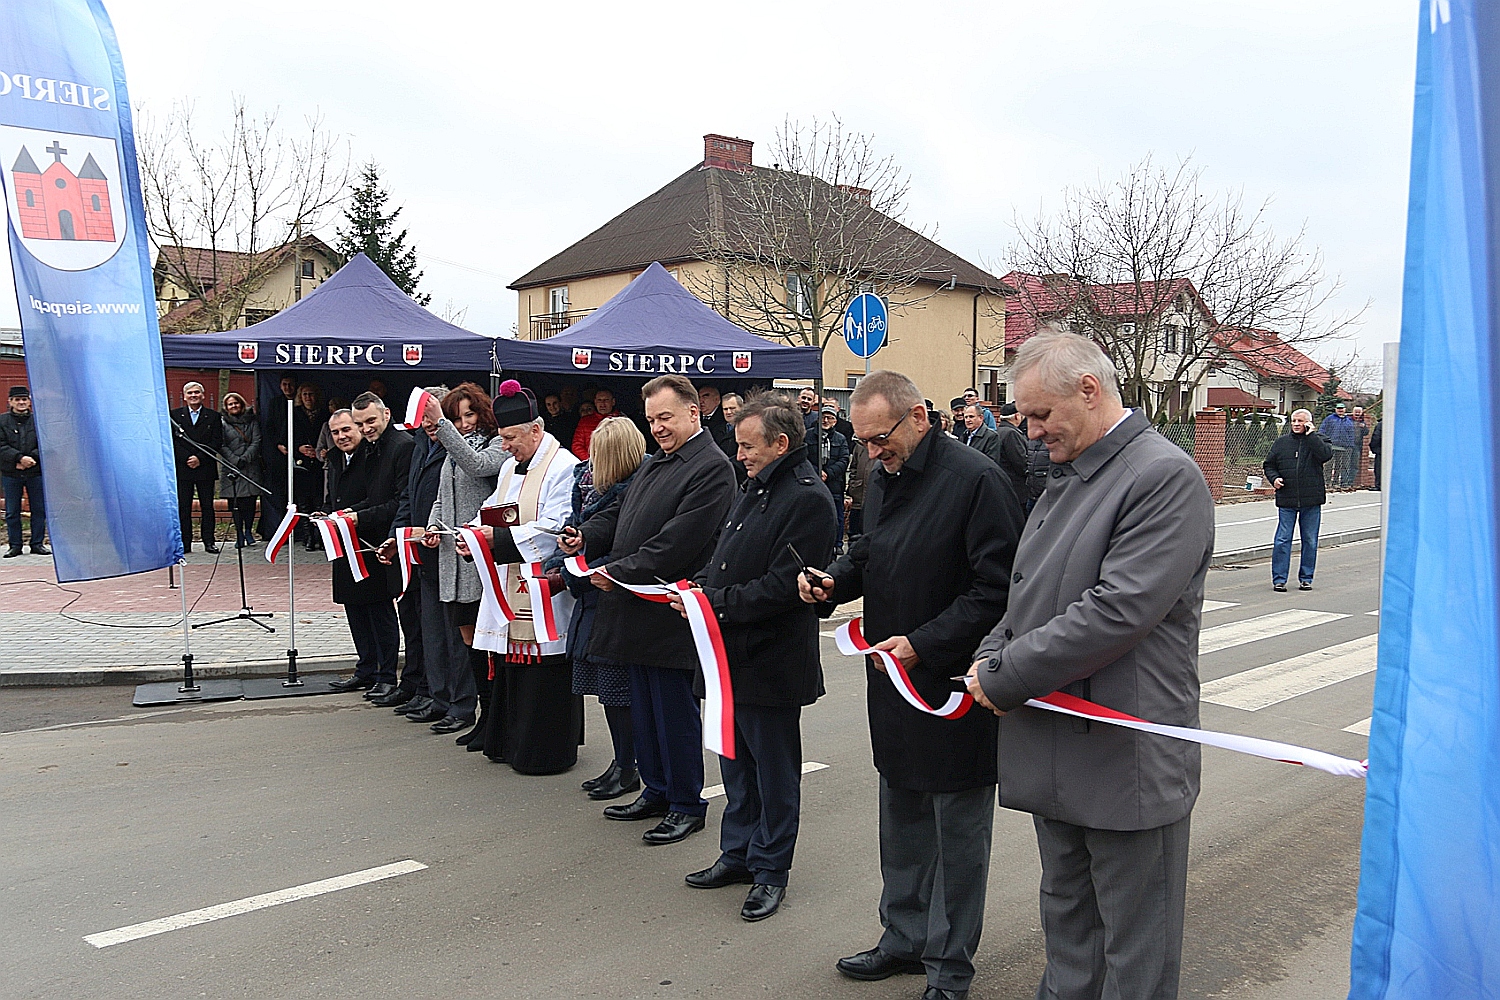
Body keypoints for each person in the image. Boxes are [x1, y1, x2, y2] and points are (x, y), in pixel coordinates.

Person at [964, 331, 1214, 1000]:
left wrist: (1006, 675)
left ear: (1090, 390)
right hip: (1060, 749)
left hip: (1125, 759)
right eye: (1024, 414)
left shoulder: (1161, 477)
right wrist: (990, 656)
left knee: (1136, 955)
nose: (1029, 428)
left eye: (1040, 413)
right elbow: (1032, 595)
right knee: (1070, 936)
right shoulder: (1071, 473)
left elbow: (1115, 613)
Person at [800, 370, 1023, 1000]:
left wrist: (924, 643)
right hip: (893, 681)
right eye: (863, 441)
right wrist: (834, 582)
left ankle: (950, 968)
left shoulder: (978, 481)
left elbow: (997, 589)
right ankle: (901, 939)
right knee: (900, 817)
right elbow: (871, 549)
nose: (872, 452)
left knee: (957, 833)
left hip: (953, 685)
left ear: (919, 416)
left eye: (880, 438)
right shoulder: (885, 476)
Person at [676, 392, 837, 922]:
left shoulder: (808, 499)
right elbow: (726, 558)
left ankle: (771, 869)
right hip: (729, 656)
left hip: (769, 661)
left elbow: (784, 587)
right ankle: (739, 852)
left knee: (773, 772)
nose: (739, 454)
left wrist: (712, 604)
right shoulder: (757, 487)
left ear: (781, 444)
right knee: (735, 764)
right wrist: (699, 587)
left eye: (748, 445)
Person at [560, 373, 736, 844]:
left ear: (693, 413)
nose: (657, 427)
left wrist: (618, 571)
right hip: (634, 608)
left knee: (674, 713)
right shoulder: (658, 461)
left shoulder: (711, 467)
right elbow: (622, 513)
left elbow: (679, 541)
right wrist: (587, 536)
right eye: (652, 419)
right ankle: (655, 790)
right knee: (644, 709)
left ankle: (685, 803)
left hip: (669, 611)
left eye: (666, 417)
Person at [461, 380, 583, 775]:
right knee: (512, 667)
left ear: (536, 429)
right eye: (501, 438)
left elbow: (554, 526)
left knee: (543, 672)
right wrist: (472, 532)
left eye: (511, 438)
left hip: (542, 584)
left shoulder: (563, 466)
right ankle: (512, 742)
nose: (505, 447)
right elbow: (494, 507)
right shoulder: (512, 466)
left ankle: (546, 750)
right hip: (511, 581)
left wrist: (494, 540)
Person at [561, 416, 647, 800]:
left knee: (619, 692)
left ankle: (629, 765)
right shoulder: (587, 487)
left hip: (612, 601)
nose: (591, 461)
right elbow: (578, 526)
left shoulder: (632, 492)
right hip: (590, 598)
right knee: (605, 693)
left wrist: (584, 567)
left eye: (600, 454)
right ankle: (621, 761)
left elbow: (623, 547)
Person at [421, 383, 506, 744]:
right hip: (451, 558)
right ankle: (479, 716)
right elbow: (444, 496)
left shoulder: (496, 444)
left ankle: (493, 716)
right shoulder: (453, 447)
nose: (463, 422)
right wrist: (431, 525)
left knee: (486, 641)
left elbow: (478, 467)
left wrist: (444, 428)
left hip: (480, 557)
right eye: (457, 416)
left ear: (483, 413)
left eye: (469, 414)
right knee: (467, 638)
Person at [327, 394, 414, 698]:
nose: (346, 435)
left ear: (386, 414)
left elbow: (393, 500)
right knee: (354, 608)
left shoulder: (392, 447)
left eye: (351, 428)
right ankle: (366, 669)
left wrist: (356, 516)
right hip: (346, 538)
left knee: (379, 611)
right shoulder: (335, 457)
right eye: (336, 432)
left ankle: (386, 673)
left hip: (376, 542)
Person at [373, 386, 450, 720]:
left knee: (437, 630)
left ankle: (440, 694)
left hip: (439, 548)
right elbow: (407, 498)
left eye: (433, 417)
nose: (429, 425)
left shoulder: (451, 448)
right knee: (417, 624)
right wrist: (395, 537)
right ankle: (423, 688)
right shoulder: (419, 445)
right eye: (424, 419)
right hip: (413, 548)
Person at [1262, 408, 1334, 592]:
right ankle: (1279, 579)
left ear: (1309, 423)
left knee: (1309, 540)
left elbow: (1325, 455)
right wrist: (1274, 479)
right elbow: (1269, 465)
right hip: (1287, 498)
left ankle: (1306, 578)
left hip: (1311, 500)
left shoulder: (1320, 441)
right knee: (1282, 539)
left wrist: (1311, 436)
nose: (1296, 424)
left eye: (1300, 421)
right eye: (1294, 420)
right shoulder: (1281, 443)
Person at [170, 382, 223, 553]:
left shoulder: (213, 416)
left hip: (205, 467)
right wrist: (186, 458)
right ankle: (185, 543)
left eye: (197, 393)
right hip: (183, 468)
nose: (193, 395)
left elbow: (216, 442)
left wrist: (199, 458)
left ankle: (209, 541)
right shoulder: (174, 416)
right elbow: (172, 442)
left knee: (207, 506)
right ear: (184, 396)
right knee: (184, 507)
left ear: (203, 395)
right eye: (190, 393)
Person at [0, 386, 47, 557]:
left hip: (35, 472)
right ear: (10, 401)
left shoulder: (39, 420)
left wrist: (31, 459)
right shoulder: (2, 421)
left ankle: (37, 544)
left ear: (29, 402)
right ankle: (15, 546)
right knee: (12, 511)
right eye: (17, 399)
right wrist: (18, 458)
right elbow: (1, 445)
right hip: (11, 473)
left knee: (38, 509)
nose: (21, 403)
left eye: (24, 399)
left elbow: (45, 442)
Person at [219, 393, 263, 550]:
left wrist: (246, 458)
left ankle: (248, 531)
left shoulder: (252, 420)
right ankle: (238, 533)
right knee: (235, 503)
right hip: (232, 467)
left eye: (236, 403)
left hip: (250, 466)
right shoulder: (222, 423)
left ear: (241, 404)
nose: (234, 406)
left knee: (250, 502)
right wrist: (235, 460)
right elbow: (221, 444)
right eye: (230, 404)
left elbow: (257, 440)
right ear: (226, 407)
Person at [292, 384, 327, 550]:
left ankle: (321, 537)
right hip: (301, 465)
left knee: (320, 503)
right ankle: (308, 538)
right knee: (304, 504)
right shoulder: (294, 414)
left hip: (320, 464)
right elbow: (285, 438)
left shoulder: (325, 414)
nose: (308, 398)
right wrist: (298, 448)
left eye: (311, 394)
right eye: (305, 394)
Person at [1318, 401, 1358, 488]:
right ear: (1335, 409)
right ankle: (1327, 483)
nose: (1340, 410)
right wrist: (1323, 442)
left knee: (1341, 466)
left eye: (1342, 408)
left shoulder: (1348, 421)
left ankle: (1338, 483)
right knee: (1329, 465)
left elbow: (1352, 434)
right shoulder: (1329, 419)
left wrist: (1350, 445)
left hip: (1345, 447)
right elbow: (1322, 430)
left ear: (1345, 410)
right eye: (1338, 408)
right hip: (1331, 446)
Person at [571, 388, 617, 460]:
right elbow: (577, 445)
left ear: (613, 402)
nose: (602, 404)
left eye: (606, 400)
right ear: (595, 402)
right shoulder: (585, 421)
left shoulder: (622, 420)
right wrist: (591, 461)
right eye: (599, 400)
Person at [1351, 405, 1369, 486]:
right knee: (1345, 465)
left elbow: (1366, 433)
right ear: (1353, 412)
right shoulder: (1348, 420)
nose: (1357, 413)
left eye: (1359, 412)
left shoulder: (1362, 422)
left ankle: (1351, 482)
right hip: (1347, 446)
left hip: (1357, 446)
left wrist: (1364, 427)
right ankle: (1344, 482)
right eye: (1356, 412)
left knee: (1355, 465)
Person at [1369, 418, 1383, 490]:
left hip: (1381, 450)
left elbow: (1376, 437)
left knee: (1379, 468)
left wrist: (1373, 447)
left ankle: (1379, 485)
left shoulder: (1381, 424)